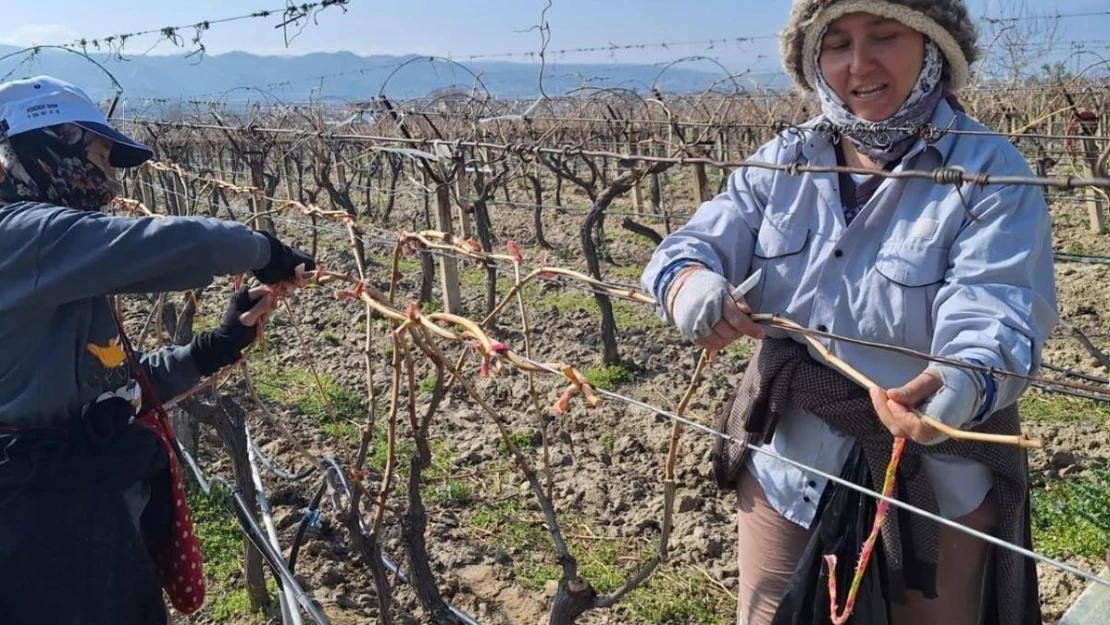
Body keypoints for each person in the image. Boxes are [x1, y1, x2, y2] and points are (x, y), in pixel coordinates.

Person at [641, 2, 1058, 625]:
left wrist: (960, 383)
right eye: (836, 45)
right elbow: (691, 246)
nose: (858, 64)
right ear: (813, 61)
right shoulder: (785, 161)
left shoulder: (989, 173)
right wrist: (690, 284)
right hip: (790, 468)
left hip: (935, 483)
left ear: (934, 47)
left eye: (884, 36)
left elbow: (998, 307)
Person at [0, 75, 315, 624]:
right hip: (41, 535)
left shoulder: (52, 267)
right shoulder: (23, 236)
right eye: (99, 155)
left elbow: (107, 379)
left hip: (75, 521)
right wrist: (262, 249)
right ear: (47, 146)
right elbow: (166, 245)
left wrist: (214, 347)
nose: (108, 176)